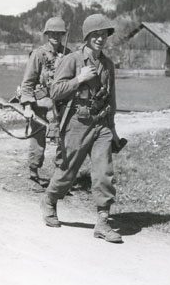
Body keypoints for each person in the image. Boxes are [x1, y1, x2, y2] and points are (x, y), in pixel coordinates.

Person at [40, 14, 122, 243]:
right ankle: (49, 200)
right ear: (87, 37)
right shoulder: (73, 60)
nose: (100, 39)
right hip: (77, 124)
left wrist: (113, 129)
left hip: (101, 125)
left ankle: (103, 221)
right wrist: (79, 79)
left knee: (104, 172)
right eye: (95, 35)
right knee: (67, 172)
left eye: (103, 34)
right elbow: (55, 92)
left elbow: (111, 99)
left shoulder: (108, 65)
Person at [20, 16, 70, 184]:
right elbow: (27, 82)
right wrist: (27, 106)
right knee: (37, 139)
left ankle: (60, 175)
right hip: (41, 104)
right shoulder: (38, 54)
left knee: (63, 139)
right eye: (52, 33)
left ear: (63, 35)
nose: (56, 36)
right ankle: (34, 172)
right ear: (47, 34)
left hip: (62, 104)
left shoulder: (69, 55)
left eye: (59, 33)